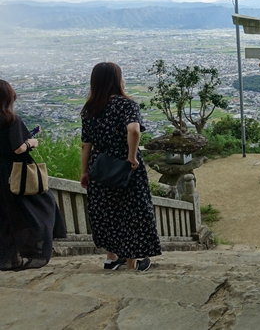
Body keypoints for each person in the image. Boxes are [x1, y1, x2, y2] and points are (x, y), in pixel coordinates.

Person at [80, 62, 161, 271]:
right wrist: (131, 156)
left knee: (106, 212)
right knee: (133, 210)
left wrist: (84, 172)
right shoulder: (126, 104)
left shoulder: (90, 109)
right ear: (117, 80)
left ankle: (111, 258)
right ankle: (133, 262)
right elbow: (133, 130)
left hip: (99, 165)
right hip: (125, 166)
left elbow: (85, 145)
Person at [0, 80, 66, 271]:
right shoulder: (11, 120)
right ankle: (36, 252)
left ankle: (8, 258)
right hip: (16, 173)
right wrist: (32, 142)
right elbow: (18, 148)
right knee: (42, 207)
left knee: (5, 216)